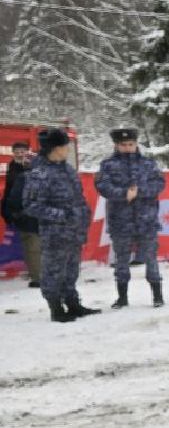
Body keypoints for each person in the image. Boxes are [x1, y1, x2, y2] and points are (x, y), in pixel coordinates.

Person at [22, 128, 101, 322]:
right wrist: (62, 215)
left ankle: (73, 304)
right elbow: (30, 206)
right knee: (53, 271)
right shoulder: (40, 173)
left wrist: (83, 214)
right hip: (55, 233)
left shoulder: (67, 169)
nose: (68, 149)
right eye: (65, 146)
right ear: (55, 149)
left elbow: (78, 196)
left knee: (71, 270)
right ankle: (56, 308)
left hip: (74, 231)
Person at [95, 128, 167, 308]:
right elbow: (102, 186)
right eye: (123, 145)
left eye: (131, 144)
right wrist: (123, 194)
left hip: (147, 219)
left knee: (151, 258)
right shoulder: (108, 165)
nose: (127, 148)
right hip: (121, 219)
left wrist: (140, 192)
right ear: (116, 145)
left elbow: (159, 183)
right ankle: (122, 297)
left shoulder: (148, 163)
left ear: (136, 144)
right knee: (121, 259)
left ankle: (157, 295)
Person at [2, 140, 43, 287]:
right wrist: (7, 209)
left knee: (34, 243)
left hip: (31, 210)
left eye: (22, 151)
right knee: (29, 244)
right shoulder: (12, 167)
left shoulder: (33, 168)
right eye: (17, 152)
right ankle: (36, 273)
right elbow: (9, 190)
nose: (20, 154)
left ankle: (38, 275)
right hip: (19, 210)